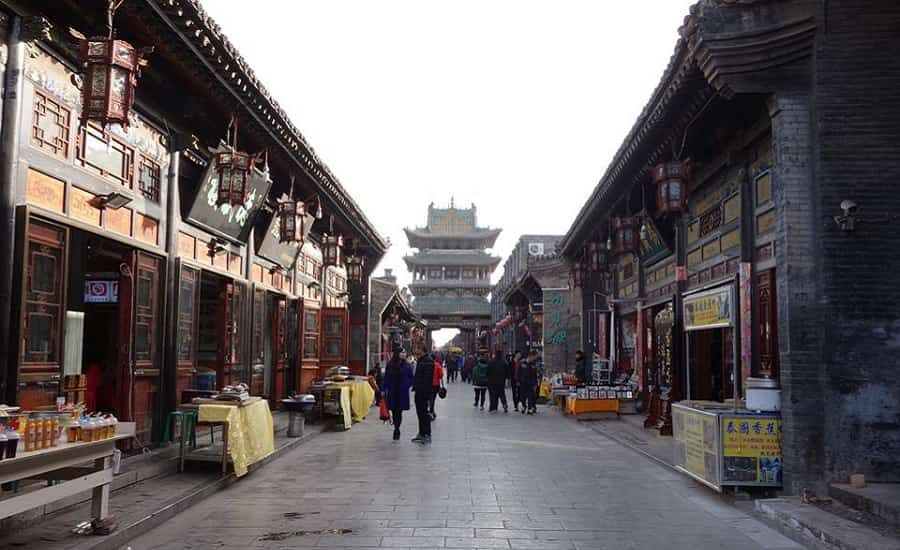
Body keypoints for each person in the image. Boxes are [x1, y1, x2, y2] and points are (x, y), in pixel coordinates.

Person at [382, 347, 413, 441]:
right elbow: (386, 378)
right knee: (394, 410)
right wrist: (383, 389)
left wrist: (406, 385)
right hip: (392, 391)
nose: (404, 354)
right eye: (402, 352)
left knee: (399, 411)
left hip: (402, 392)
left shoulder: (407, 365)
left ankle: (397, 428)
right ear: (397, 353)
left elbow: (411, 378)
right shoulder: (390, 365)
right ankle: (396, 426)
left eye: (404, 352)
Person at [412, 350, 435, 444]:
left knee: (424, 413)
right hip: (419, 390)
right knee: (420, 413)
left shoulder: (428, 361)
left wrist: (424, 391)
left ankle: (427, 434)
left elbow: (427, 378)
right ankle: (421, 433)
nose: (416, 353)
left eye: (417, 350)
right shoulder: (421, 360)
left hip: (424, 392)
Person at [518, 350, 539, 415]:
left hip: (530, 383)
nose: (534, 359)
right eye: (533, 357)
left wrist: (535, 383)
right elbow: (519, 372)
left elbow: (535, 375)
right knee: (522, 396)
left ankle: (530, 409)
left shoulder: (533, 365)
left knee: (530, 396)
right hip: (523, 382)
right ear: (530, 356)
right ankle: (524, 406)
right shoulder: (522, 363)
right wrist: (518, 380)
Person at [429, 354, 444, 420]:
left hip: (428, 384)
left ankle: (431, 411)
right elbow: (441, 375)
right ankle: (431, 412)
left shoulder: (427, 364)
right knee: (432, 398)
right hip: (435, 385)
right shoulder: (437, 365)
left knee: (429, 398)